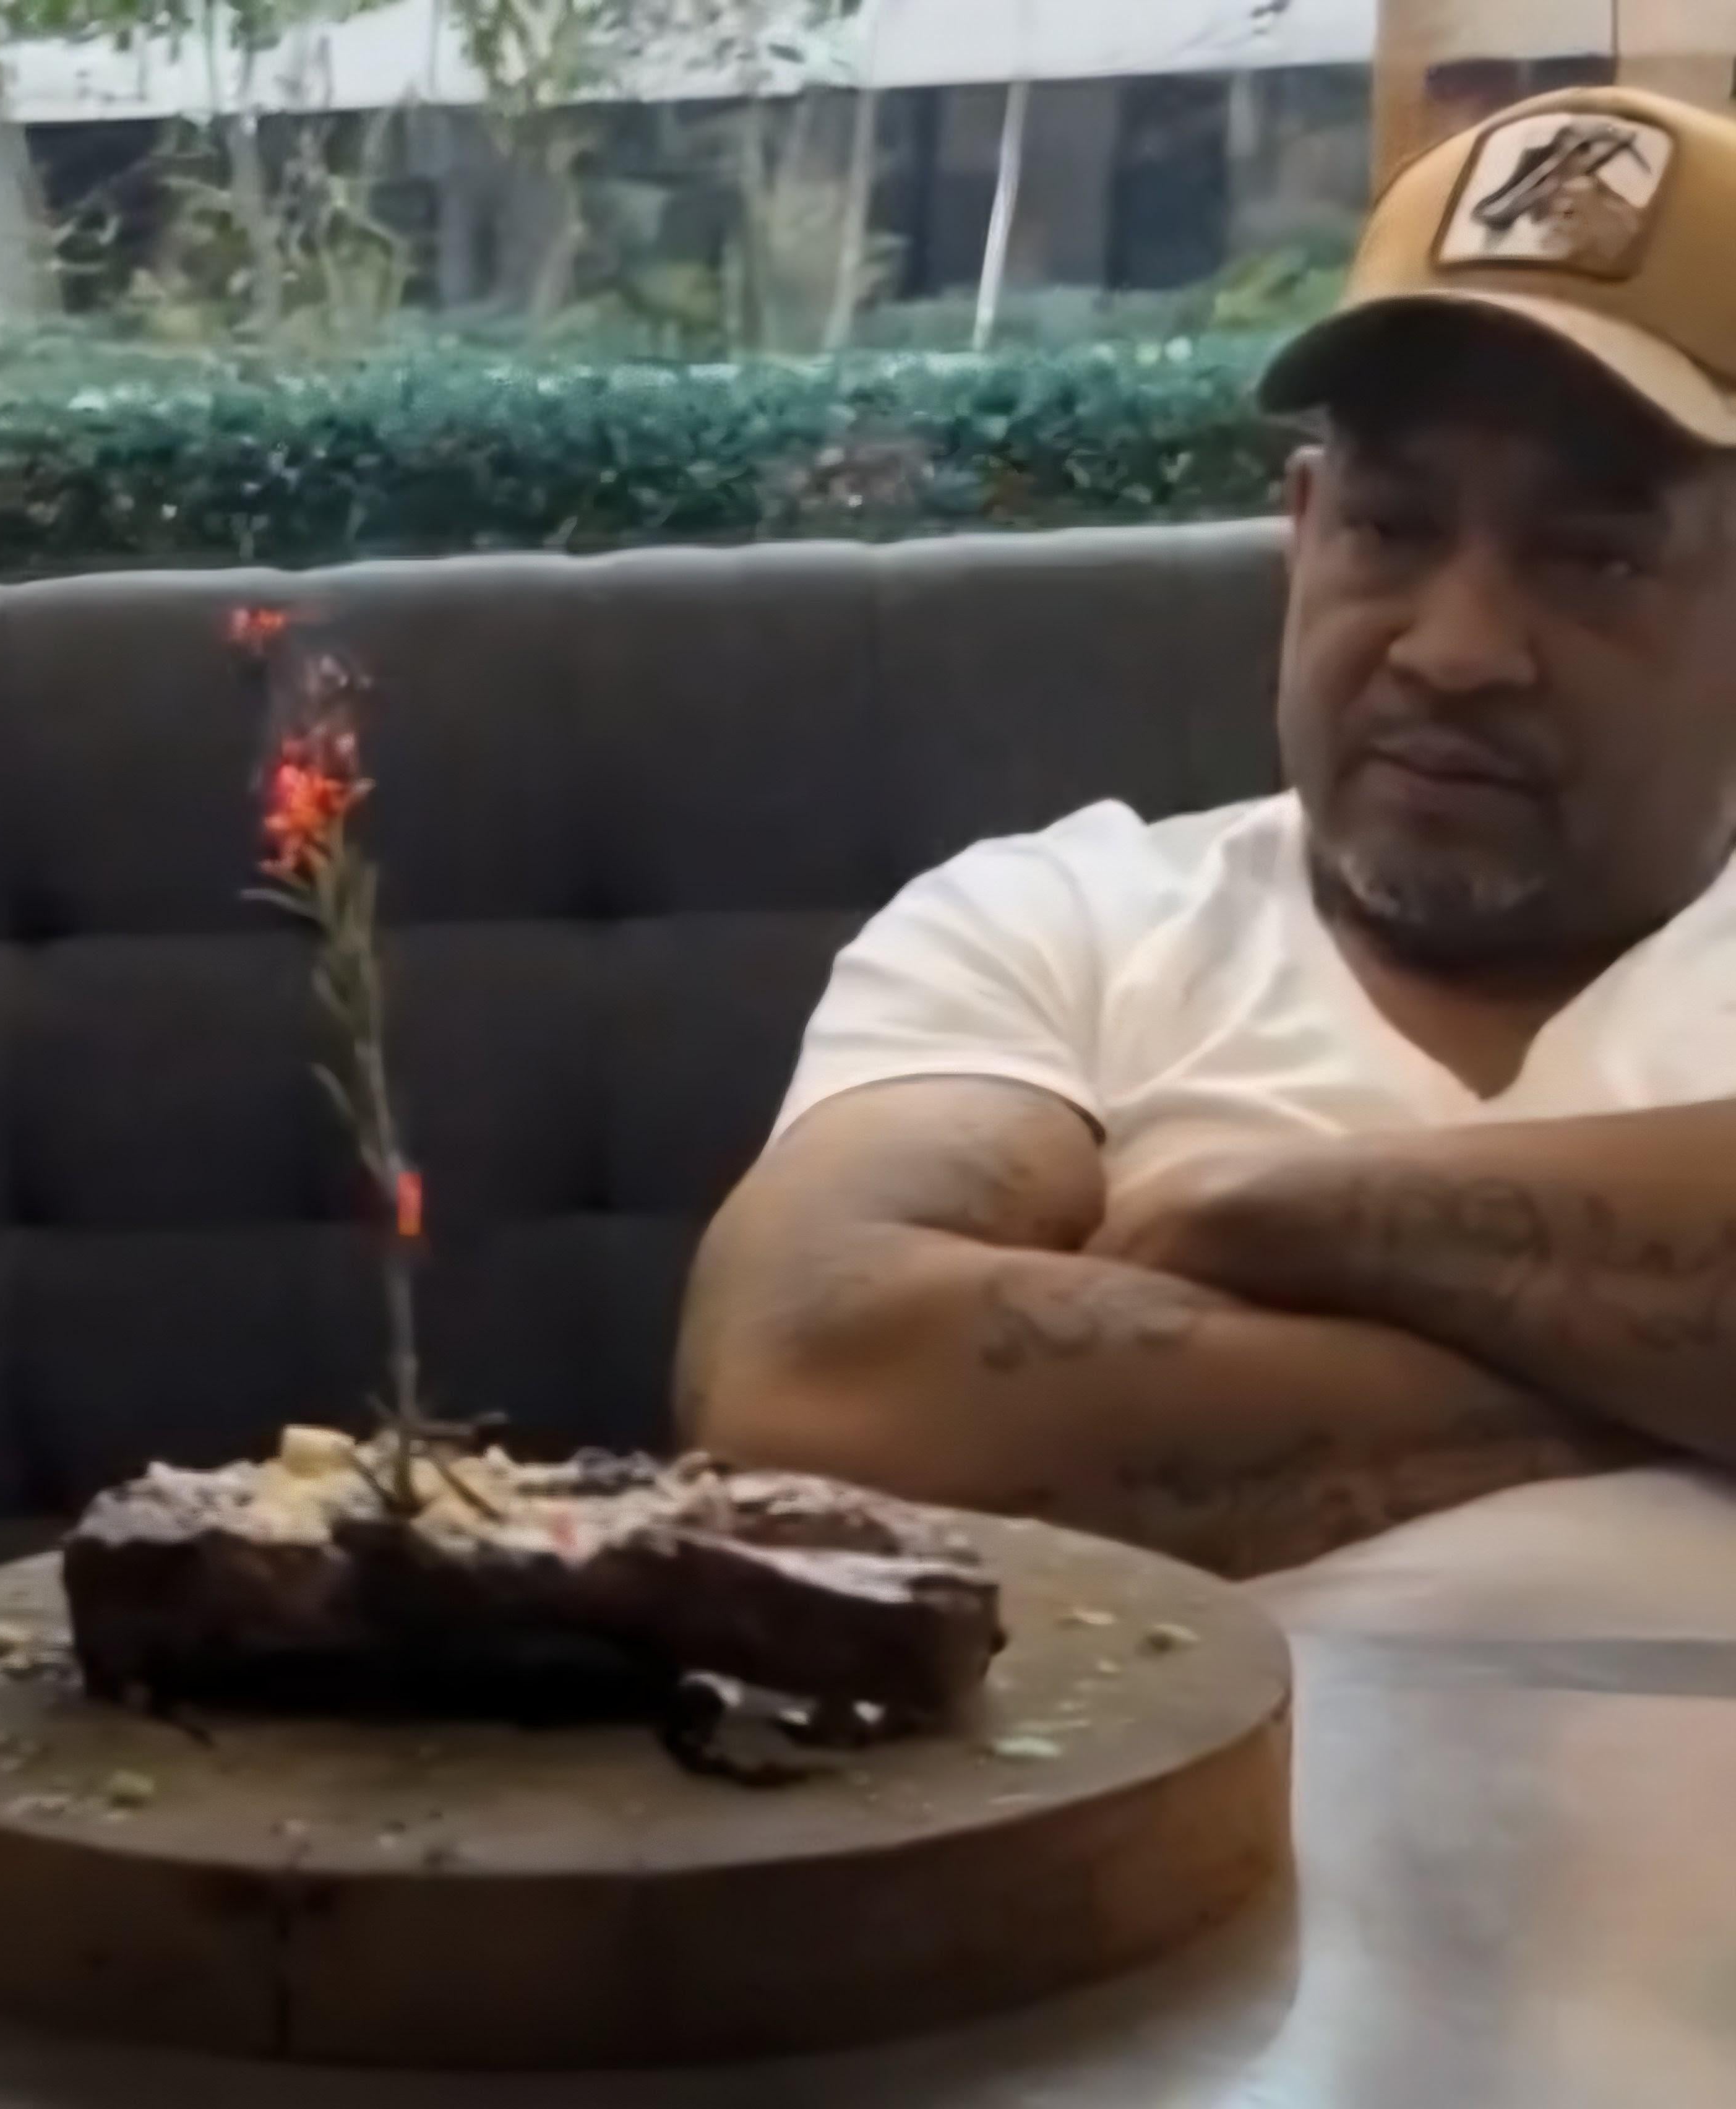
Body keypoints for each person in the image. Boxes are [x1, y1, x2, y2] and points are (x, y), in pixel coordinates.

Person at [677, 85, 1736, 1576]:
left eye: (1593, 557)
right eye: (1391, 526)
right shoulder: (1055, 927)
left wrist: (1270, 1210)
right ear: (1302, 529)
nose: (1454, 649)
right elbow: (805, 1388)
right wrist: (1669, 1391)